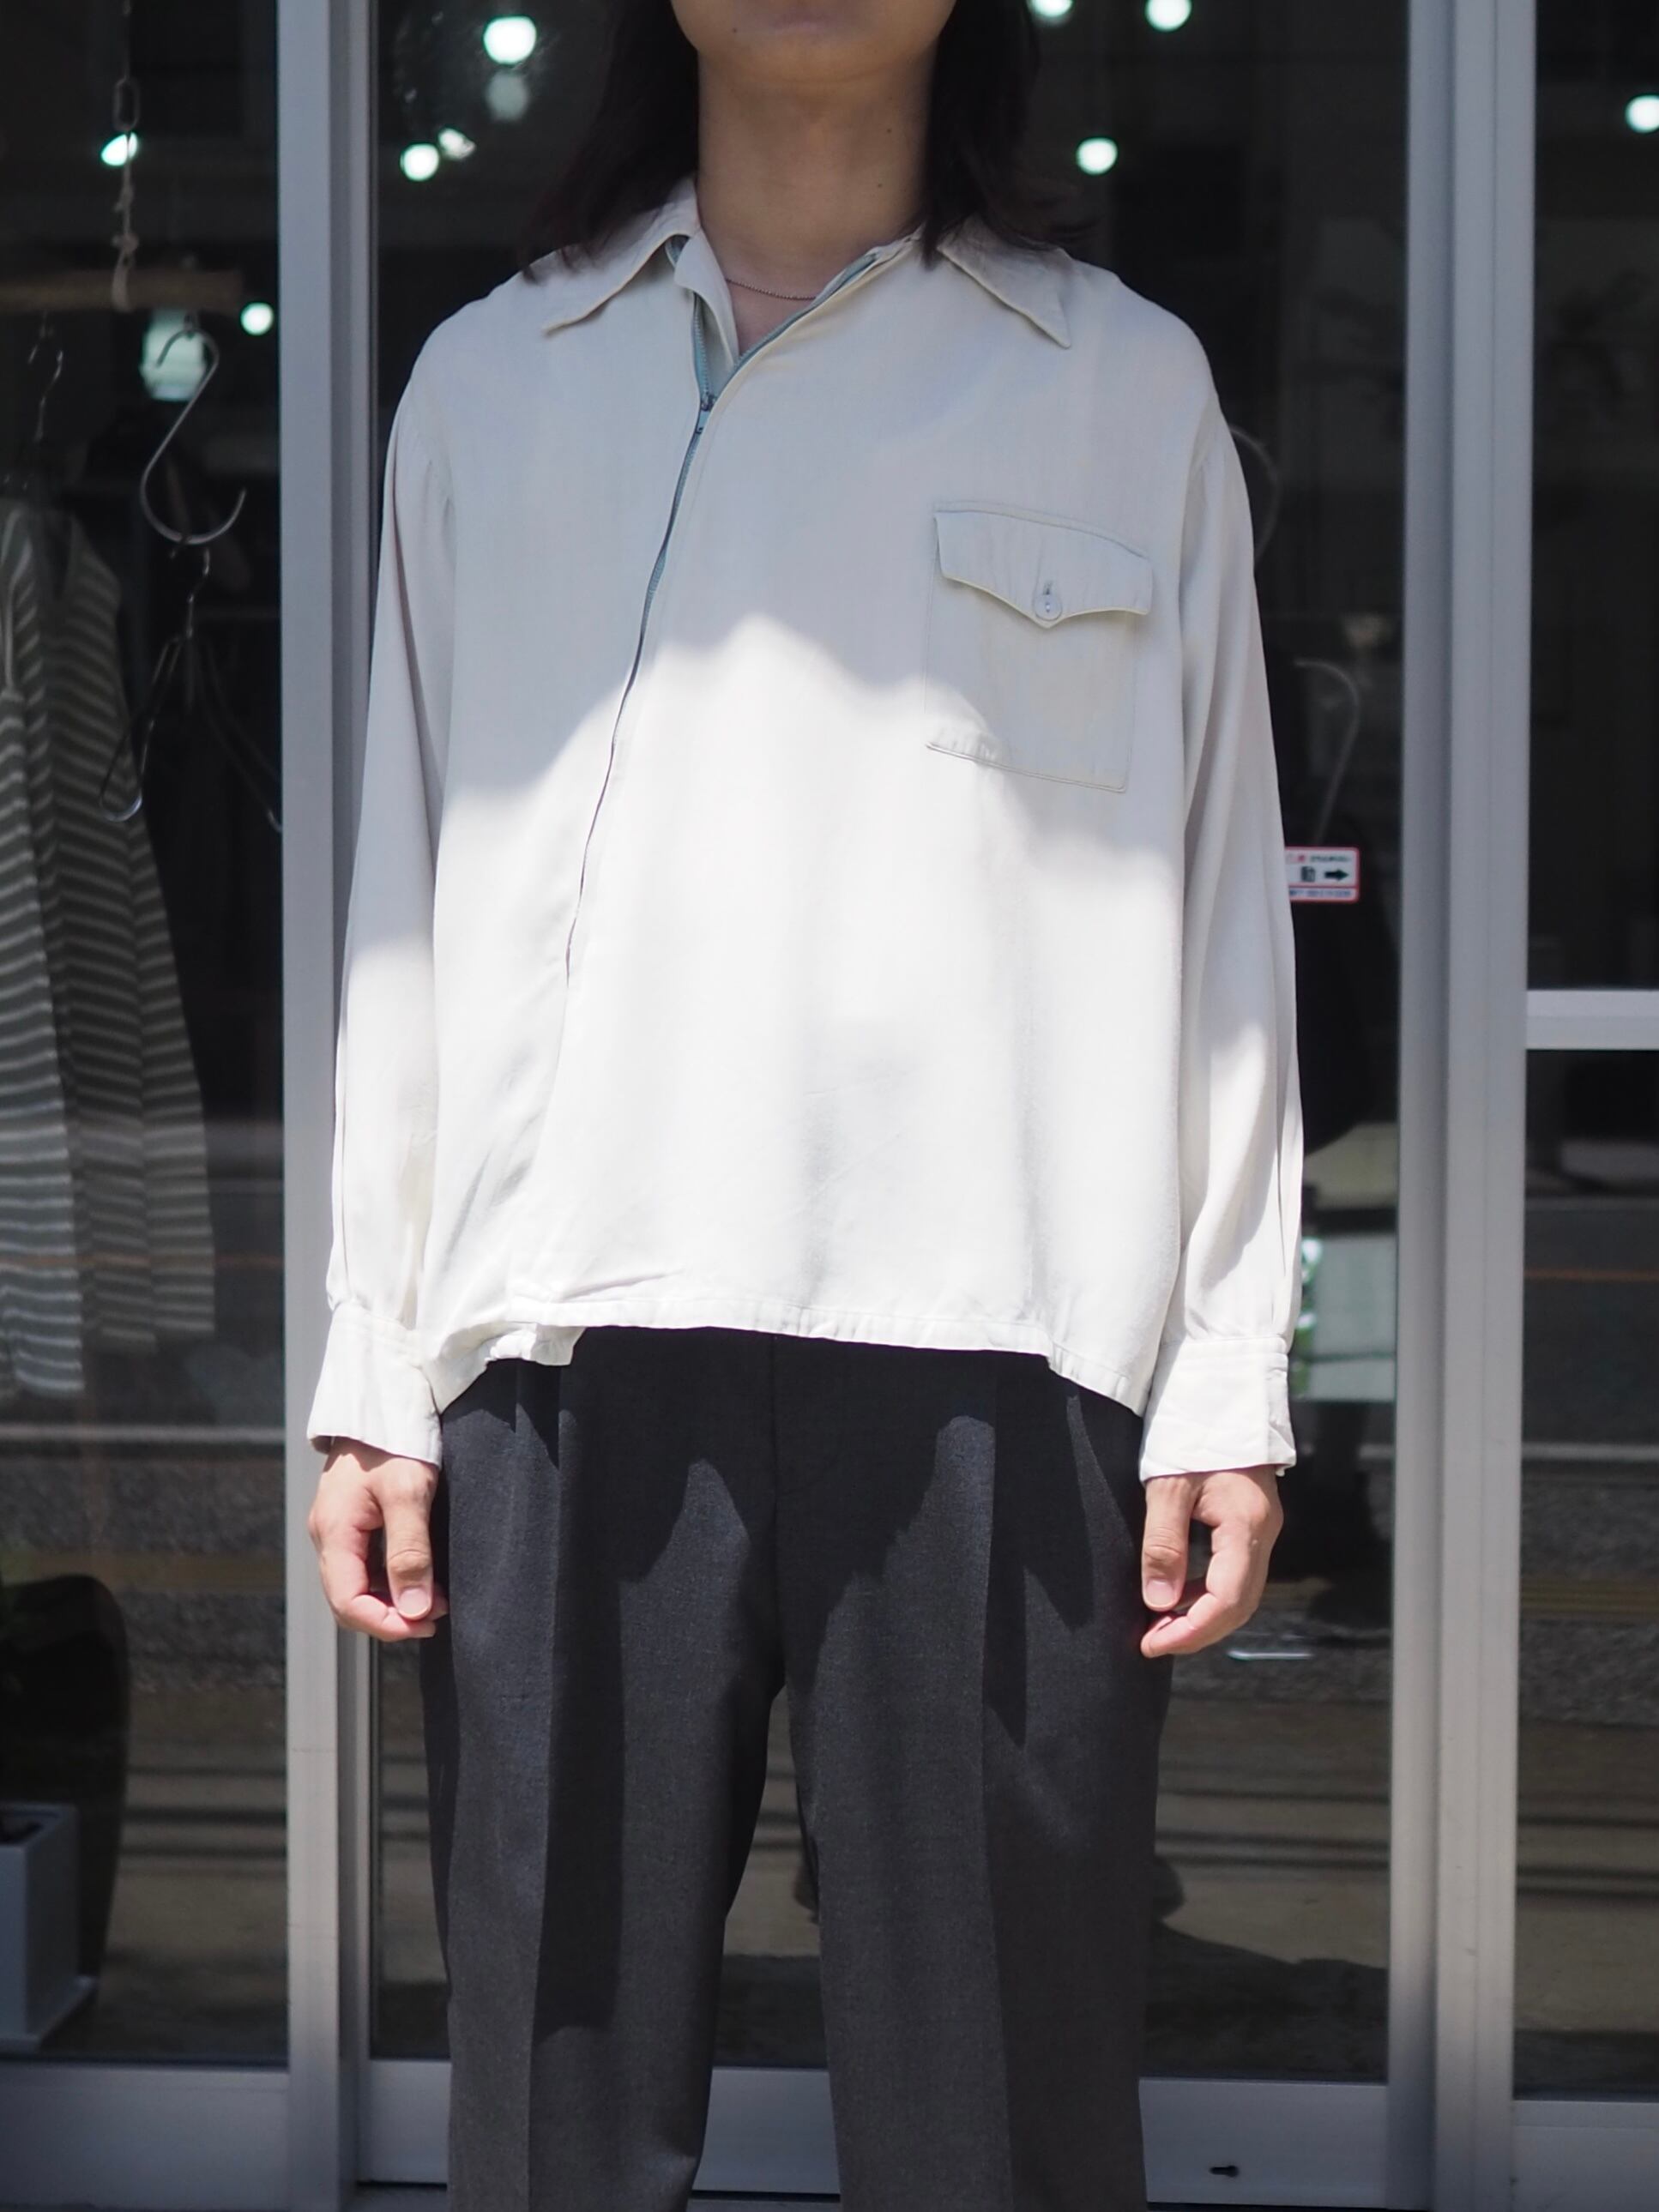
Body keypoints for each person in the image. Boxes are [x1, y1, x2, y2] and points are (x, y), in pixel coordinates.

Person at [304, 3, 1303, 2207]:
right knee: (554, 2118)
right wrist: (378, 1358)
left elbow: (1221, 897)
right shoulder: (499, 379)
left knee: (1002, 2121)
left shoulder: (1117, 385)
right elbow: (406, 899)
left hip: (997, 1345)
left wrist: (1226, 1367)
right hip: (563, 1343)